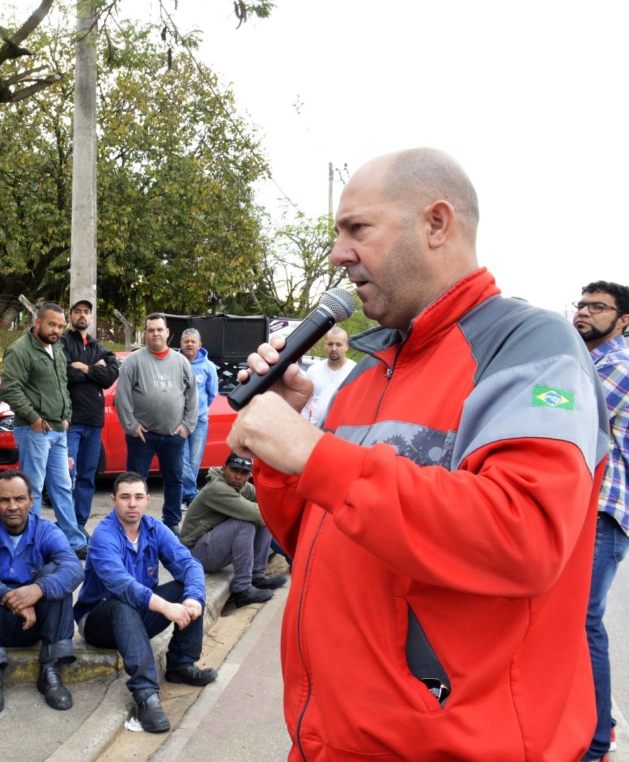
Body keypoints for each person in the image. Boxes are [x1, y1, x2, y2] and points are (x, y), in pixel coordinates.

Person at [228, 149, 608, 760]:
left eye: (358, 229)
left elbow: (525, 535)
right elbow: (315, 541)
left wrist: (314, 453)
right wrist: (285, 449)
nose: (338, 254)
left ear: (436, 224)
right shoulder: (368, 370)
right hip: (332, 736)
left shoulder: (528, 347)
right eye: (337, 234)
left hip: (448, 743)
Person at [75, 472, 216, 734]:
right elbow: (120, 584)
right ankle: (146, 694)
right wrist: (164, 606)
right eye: (125, 497)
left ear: (147, 500)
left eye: (139, 497)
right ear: (113, 500)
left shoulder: (154, 528)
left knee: (187, 586)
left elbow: (189, 564)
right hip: (99, 618)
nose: (132, 504)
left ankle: (180, 664)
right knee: (122, 603)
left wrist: (193, 598)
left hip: (140, 613)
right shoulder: (103, 536)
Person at [572, 280, 629, 762]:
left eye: (598, 307)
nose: (583, 312)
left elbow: (570, 414)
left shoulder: (618, 366)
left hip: (603, 514)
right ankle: (601, 722)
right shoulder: (586, 362)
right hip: (586, 512)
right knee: (573, 619)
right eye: (581, 303)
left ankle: (597, 741)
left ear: (623, 322)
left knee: (583, 621)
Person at [0, 470, 83, 715]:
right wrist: (7, 597)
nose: (12, 506)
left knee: (56, 574)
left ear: (31, 500)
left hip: (33, 627)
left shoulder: (46, 530)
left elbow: (74, 567)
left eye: (19, 499)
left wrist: (38, 589)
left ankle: (50, 669)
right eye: (4, 500)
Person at [0, 303, 87, 556]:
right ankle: (30, 543)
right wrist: (33, 419)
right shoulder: (20, 350)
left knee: (62, 486)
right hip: (34, 430)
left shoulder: (57, 350)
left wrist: (67, 414)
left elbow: (63, 386)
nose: (56, 330)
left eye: (60, 326)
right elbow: (9, 389)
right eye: (51, 324)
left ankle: (74, 541)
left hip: (58, 430)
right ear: (37, 322)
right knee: (33, 489)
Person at [116, 314, 197, 531]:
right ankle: (132, 523)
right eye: (151, 330)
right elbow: (121, 396)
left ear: (167, 332)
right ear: (145, 334)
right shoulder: (134, 361)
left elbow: (192, 395)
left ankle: (171, 524)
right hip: (143, 436)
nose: (155, 334)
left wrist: (187, 426)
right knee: (134, 483)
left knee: (174, 481)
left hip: (173, 435)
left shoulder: (181, 362)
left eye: (159, 330)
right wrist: (131, 426)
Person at [180, 454, 285, 608]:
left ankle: (256, 576)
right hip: (195, 554)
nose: (238, 476)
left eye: (243, 473)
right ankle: (242, 590)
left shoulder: (241, 486)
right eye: (234, 470)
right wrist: (267, 510)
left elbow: (267, 502)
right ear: (224, 469)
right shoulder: (217, 488)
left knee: (262, 519)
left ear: (249, 476)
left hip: (211, 545)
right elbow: (258, 513)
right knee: (245, 523)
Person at [60, 299, 119, 538]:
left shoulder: (99, 347)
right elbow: (64, 373)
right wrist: (95, 369)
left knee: (87, 476)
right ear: (70, 315)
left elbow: (109, 377)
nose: (82, 316)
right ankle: (66, 525)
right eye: (77, 312)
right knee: (67, 476)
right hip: (71, 422)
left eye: (86, 312)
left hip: (94, 423)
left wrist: (84, 368)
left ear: (91, 317)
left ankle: (80, 524)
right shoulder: (62, 343)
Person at [179, 328, 218, 505]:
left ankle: (185, 497)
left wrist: (199, 409)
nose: (189, 344)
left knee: (194, 461)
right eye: (186, 341)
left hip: (200, 421)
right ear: (181, 344)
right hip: (177, 420)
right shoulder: (175, 362)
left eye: (193, 341)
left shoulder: (208, 366)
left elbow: (212, 393)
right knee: (182, 459)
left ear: (199, 345)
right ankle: (191, 494)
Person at [300, 327, 356, 428]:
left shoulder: (355, 370)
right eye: (330, 344)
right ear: (325, 344)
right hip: (315, 431)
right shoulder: (313, 370)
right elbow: (304, 404)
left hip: (342, 433)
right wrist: (305, 426)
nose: (334, 348)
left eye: (339, 344)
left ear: (347, 346)